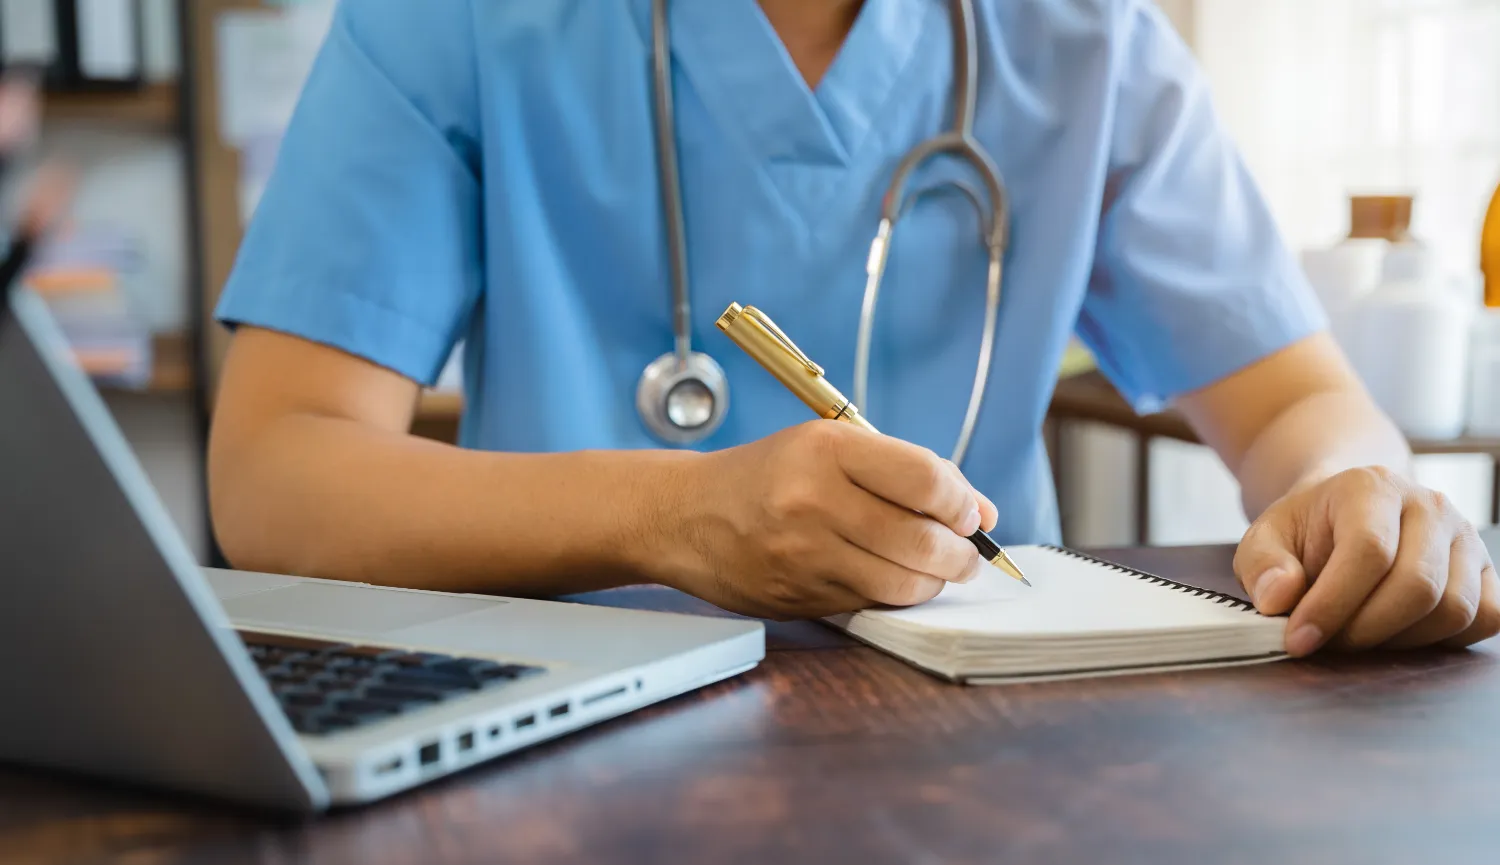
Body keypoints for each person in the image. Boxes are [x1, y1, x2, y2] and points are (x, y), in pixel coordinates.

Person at [208, 0, 1498, 657]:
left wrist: (1357, 502)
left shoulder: (1088, 42)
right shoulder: (452, 22)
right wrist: (666, 518)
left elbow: (1293, 406)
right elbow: (273, 474)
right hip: (557, 734)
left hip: (1001, 747)